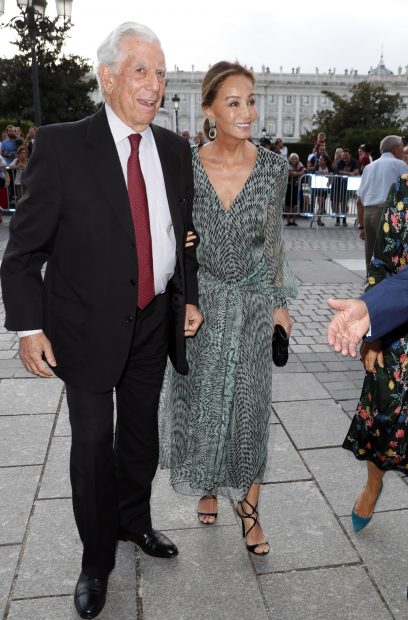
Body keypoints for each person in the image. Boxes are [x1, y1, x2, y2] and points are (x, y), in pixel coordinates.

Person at [0, 22, 203, 620]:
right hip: (82, 327)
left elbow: (178, 237)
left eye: (161, 72)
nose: (156, 84)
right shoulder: (62, 146)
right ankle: (95, 561)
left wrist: (187, 296)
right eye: (142, 70)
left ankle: (133, 522)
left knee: (141, 435)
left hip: (152, 320)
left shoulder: (172, 149)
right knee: (91, 447)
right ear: (108, 77)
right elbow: (23, 251)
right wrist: (28, 327)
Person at [159, 61, 297, 556]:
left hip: (254, 300)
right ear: (210, 109)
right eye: (234, 102)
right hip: (202, 304)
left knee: (251, 407)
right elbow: (168, 231)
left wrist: (281, 304)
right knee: (200, 403)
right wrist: (182, 244)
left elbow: (274, 244)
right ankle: (210, 485)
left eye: (251, 100)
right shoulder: (185, 166)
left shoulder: (274, 168)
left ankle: (250, 511)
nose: (247, 112)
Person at [343, 174, 408, 534]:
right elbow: (383, 264)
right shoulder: (404, 187)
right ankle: (373, 484)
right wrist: (375, 333)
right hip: (400, 324)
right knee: (384, 416)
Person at [356, 135, 408, 271]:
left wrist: (361, 226)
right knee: (391, 254)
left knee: (371, 253)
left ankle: (372, 283)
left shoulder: (369, 167)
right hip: (387, 213)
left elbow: (359, 200)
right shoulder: (400, 165)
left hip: (369, 213)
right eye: (402, 147)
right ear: (395, 148)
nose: (403, 150)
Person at [333, 148, 359, 226]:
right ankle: (337, 220)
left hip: (347, 186)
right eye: (343, 155)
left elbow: (357, 171)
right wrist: (350, 173)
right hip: (338, 184)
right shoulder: (340, 162)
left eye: (346, 155)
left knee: (344, 203)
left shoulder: (354, 162)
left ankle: (344, 220)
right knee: (337, 203)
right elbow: (339, 172)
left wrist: (347, 173)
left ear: (350, 155)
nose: (344, 157)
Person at [313, 153, 333, 226]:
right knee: (319, 203)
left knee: (321, 204)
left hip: (324, 188)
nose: (319, 160)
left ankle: (318, 219)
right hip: (316, 187)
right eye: (319, 159)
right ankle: (317, 219)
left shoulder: (329, 167)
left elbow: (333, 175)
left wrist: (330, 181)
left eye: (321, 159)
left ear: (325, 161)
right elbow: (313, 172)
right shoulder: (317, 166)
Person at [285, 152, 305, 226]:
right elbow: (289, 173)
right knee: (288, 203)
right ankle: (288, 221)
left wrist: (295, 173)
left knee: (296, 203)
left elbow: (304, 171)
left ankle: (293, 220)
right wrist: (298, 173)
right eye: (292, 158)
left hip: (297, 186)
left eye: (295, 158)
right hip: (289, 186)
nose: (294, 159)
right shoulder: (287, 164)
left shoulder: (299, 164)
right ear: (290, 159)